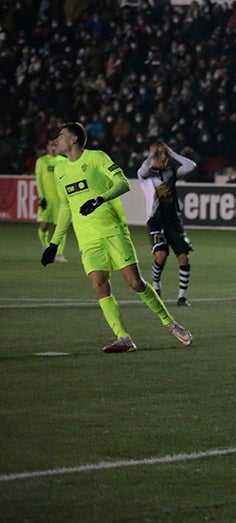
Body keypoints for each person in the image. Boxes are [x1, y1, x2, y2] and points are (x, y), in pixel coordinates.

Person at [40, 122, 192, 353]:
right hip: (87, 238)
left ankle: (170, 324)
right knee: (100, 287)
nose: (56, 141)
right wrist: (54, 243)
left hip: (112, 229)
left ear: (73, 140)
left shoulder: (96, 158)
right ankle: (123, 338)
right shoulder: (60, 170)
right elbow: (65, 207)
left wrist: (100, 199)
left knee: (135, 283)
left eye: (61, 136)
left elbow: (122, 183)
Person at [138, 141, 197, 307]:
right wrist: (152, 154)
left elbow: (191, 165)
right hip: (156, 221)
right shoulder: (146, 175)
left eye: (164, 154)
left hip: (174, 221)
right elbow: (143, 169)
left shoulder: (171, 172)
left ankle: (182, 297)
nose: (162, 157)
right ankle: (156, 285)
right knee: (161, 255)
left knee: (184, 258)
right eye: (159, 154)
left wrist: (173, 154)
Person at [35, 139, 69, 263]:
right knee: (44, 226)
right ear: (47, 147)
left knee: (61, 228)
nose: (54, 147)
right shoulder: (41, 161)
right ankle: (45, 245)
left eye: (56, 145)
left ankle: (59, 254)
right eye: (51, 145)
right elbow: (39, 180)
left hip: (61, 200)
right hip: (47, 200)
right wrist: (41, 197)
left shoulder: (64, 161)